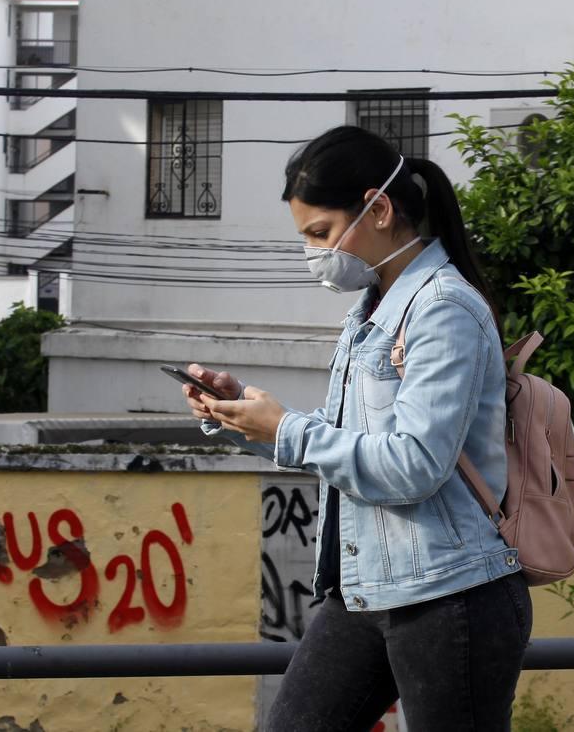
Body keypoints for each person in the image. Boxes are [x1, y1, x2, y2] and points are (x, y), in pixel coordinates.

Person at [183, 126, 532, 732]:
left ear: (378, 208)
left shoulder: (443, 307)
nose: (314, 253)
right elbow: (351, 436)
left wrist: (287, 430)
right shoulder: (372, 307)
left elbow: (415, 464)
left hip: (451, 594)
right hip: (367, 587)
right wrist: (246, 414)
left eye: (320, 233)